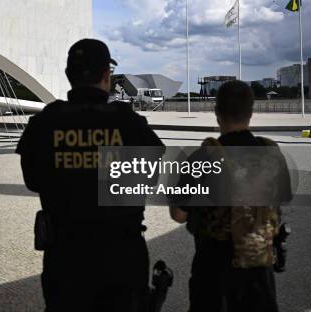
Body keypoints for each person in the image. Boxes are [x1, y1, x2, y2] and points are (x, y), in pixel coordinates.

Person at [17, 38, 165, 311]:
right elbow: (150, 178)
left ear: (68, 76)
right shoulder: (127, 122)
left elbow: (33, 181)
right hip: (120, 256)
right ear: (107, 75)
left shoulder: (46, 122)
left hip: (65, 257)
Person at [170, 80, 292, 312]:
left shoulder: (202, 158)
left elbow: (178, 215)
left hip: (213, 274)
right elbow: (282, 198)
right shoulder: (271, 152)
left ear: (217, 113)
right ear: (251, 112)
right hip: (259, 273)